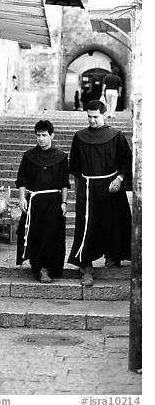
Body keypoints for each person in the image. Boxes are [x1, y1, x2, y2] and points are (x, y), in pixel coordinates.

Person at [67, 100, 132, 286]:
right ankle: (85, 266)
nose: (92, 120)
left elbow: (126, 161)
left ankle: (113, 256)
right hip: (88, 188)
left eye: (95, 117)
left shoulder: (116, 135)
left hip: (112, 186)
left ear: (103, 115)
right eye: (89, 116)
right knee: (87, 226)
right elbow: (76, 167)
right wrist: (81, 189)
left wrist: (119, 179)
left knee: (113, 222)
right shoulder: (79, 137)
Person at [16, 120, 70, 283]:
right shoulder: (29, 156)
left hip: (53, 201)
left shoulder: (61, 157)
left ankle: (48, 268)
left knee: (51, 235)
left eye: (44, 135)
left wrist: (64, 202)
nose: (41, 139)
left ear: (51, 135)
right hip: (35, 201)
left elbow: (64, 183)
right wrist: (21, 198)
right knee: (36, 234)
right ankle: (38, 267)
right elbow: (22, 179)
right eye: (38, 135)